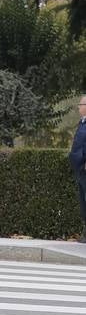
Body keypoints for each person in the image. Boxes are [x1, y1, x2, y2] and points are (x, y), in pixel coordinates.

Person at [71, 93, 86, 244]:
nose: (79, 107)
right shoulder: (82, 122)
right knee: (83, 203)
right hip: (80, 168)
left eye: (81, 105)